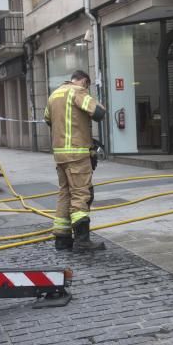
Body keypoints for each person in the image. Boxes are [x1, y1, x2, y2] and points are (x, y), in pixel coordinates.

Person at [44, 69, 106, 252]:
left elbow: (47, 119)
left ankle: (62, 240)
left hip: (60, 155)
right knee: (81, 195)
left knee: (65, 194)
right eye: (87, 86)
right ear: (84, 82)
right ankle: (82, 242)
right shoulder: (77, 91)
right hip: (77, 154)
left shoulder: (54, 94)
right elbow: (99, 112)